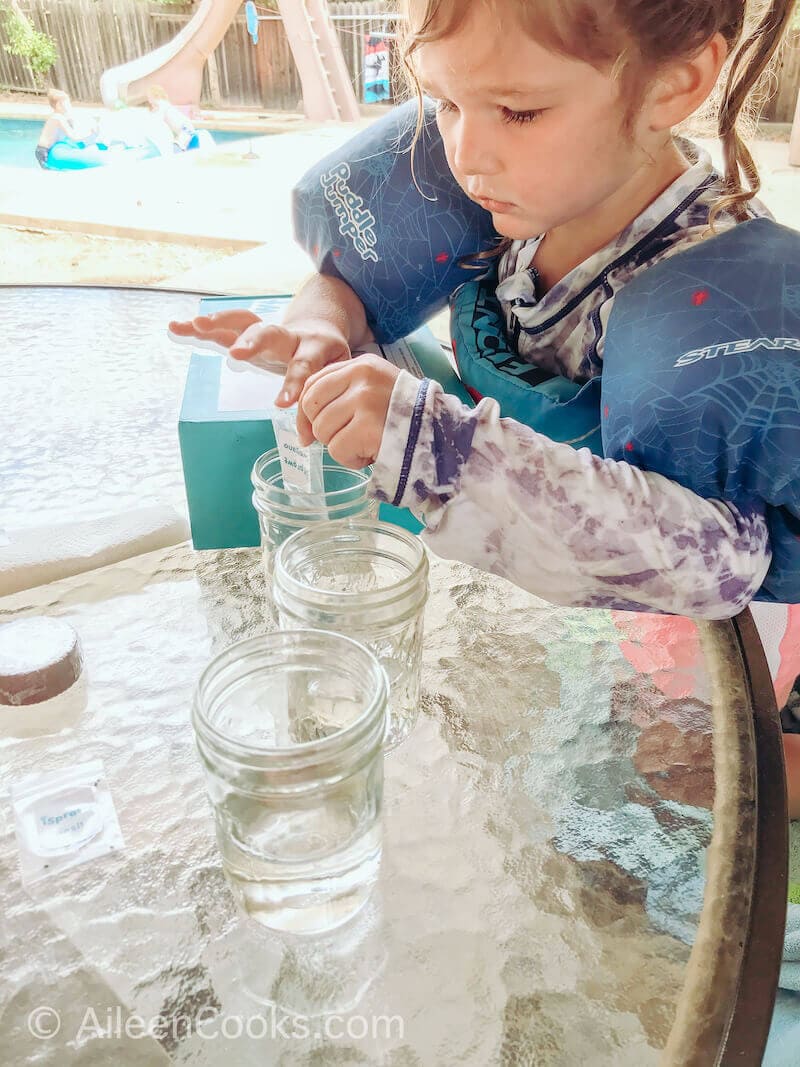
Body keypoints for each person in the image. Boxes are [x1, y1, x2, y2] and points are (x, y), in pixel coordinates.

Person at [170, 0, 800, 811]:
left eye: (519, 111)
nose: (466, 153)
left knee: (651, 816)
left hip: (721, 655)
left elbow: (718, 559)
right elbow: (353, 278)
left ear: (674, 87)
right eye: (446, 103)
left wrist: (433, 449)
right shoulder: (524, 199)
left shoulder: (718, 307)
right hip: (570, 625)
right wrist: (321, 326)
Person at [36, 88, 81, 168]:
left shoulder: (57, 117)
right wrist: (91, 134)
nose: (70, 106)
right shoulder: (58, 118)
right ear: (59, 105)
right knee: (48, 171)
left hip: (42, 150)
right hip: (43, 151)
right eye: (67, 103)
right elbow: (73, 136)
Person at [145, 85, 197, 151]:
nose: (148, 100)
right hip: (185, 129)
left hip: (186, 130)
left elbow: (157, 120)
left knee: (177, 148)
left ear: (154, 96)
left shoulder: (162, 104)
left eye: (149, 97)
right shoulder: (163, 104)